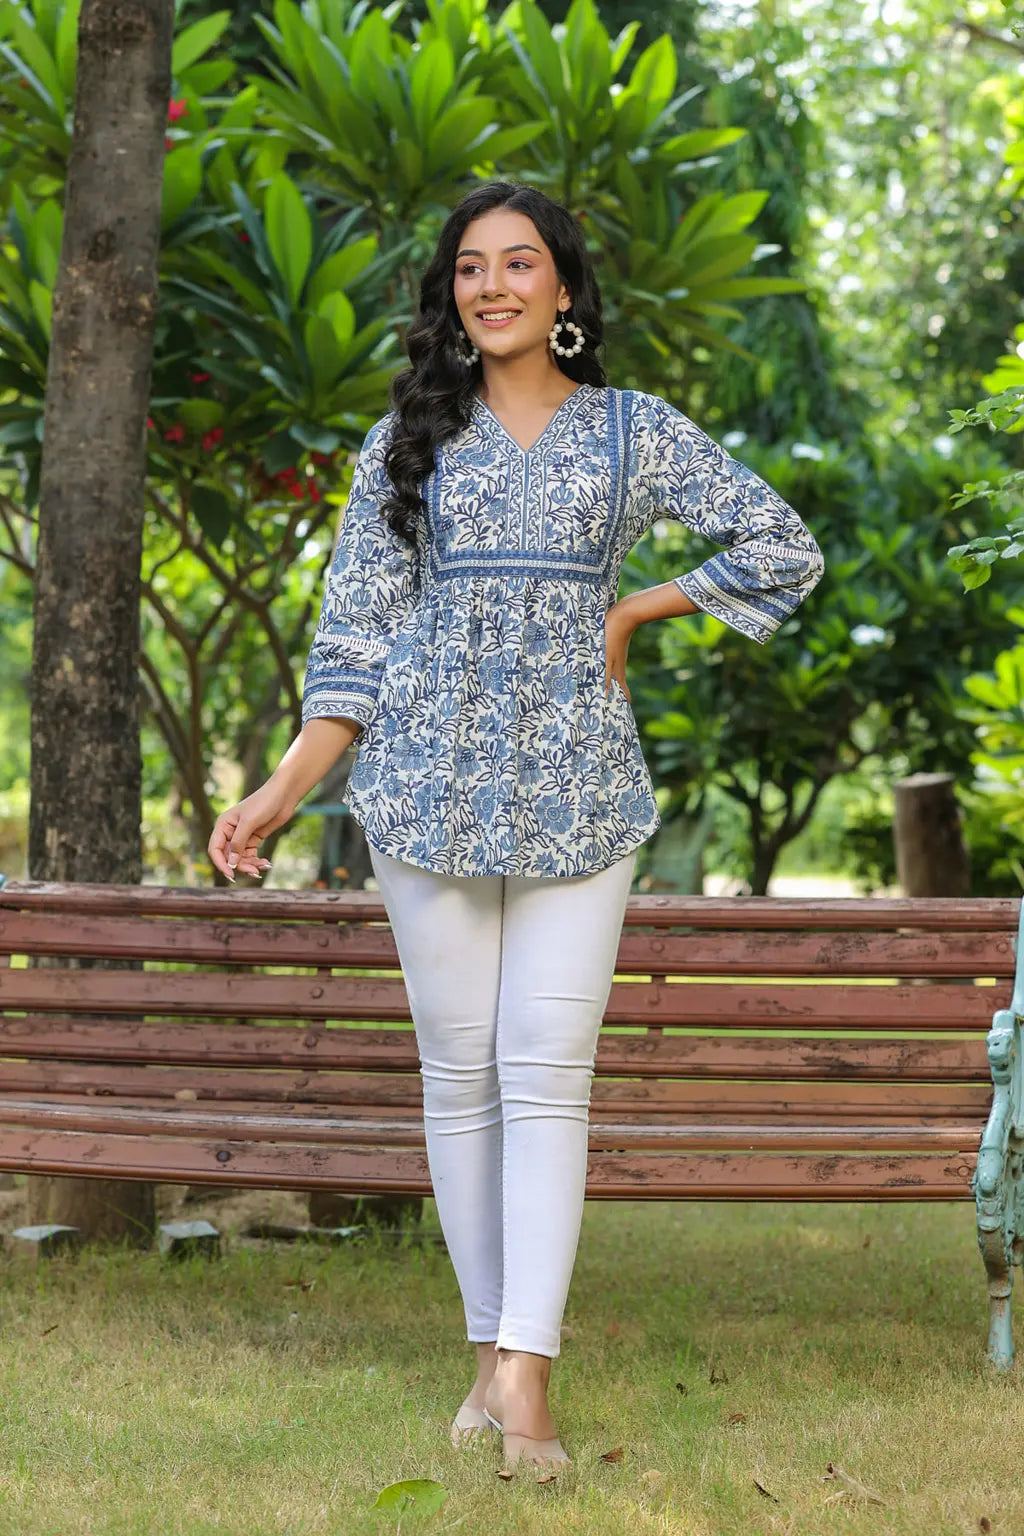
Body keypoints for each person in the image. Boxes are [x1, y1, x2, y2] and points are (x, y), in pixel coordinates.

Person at [208, 180, 824, 1475]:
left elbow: (781, 545)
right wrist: (279, 792)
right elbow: (355, 643)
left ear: (562, 290)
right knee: (463, 1078)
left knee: (548, 1080)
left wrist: (639, 606)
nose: (492, 287)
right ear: (454, 295)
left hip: (582, 793)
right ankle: (490, 1359)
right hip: (425, 789)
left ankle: (529, 1381)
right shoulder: (406, 441)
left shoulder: (630, 434)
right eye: (471, 270)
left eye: (519, 264)